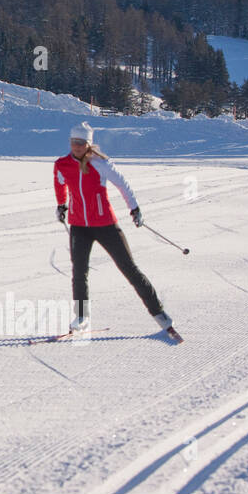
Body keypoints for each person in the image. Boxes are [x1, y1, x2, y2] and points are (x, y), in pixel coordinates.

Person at [52, 122, 177, 337]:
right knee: (79, 272)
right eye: (74, 143)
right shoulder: (62, 164)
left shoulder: (101, 163)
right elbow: (59, 182)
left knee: (129, 268)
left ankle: (159, 313)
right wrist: (62, 205)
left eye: (81, 143)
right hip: (79, 225)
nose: (77, 147)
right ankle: (82, 317)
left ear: (88, 144)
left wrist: (134, 209)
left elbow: (122, 184)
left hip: (105, 225)